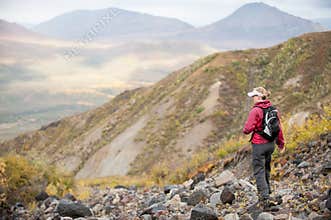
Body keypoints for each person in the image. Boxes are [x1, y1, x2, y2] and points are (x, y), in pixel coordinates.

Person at [243, 87, 285, 209]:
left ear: (260, 97)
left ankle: (265, 198)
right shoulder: (273, 110)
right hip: (270, 144)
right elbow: (279, 128)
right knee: (266, 167)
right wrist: (281, 143)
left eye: (254, 96)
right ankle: (268, 191)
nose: (253, 98)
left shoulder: (255, 111)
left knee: (259, 171)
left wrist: (249, 127)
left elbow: (247, 130)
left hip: (259, 145)